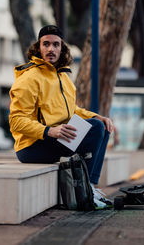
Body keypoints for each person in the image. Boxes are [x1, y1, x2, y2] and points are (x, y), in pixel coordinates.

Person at [9, 25, 114, 209]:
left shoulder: (63, 76)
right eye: (46, 44)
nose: (51, 49)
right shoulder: (29, 78)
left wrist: (97, 116)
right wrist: (50, 131)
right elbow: (16, 121)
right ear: (38, 47)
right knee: (95, 128)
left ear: (62, 48)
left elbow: (71, 110)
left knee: (101, 126)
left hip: (58, 139)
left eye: (55, 44)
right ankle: (83, 191)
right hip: (33, 146)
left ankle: (89, 186)